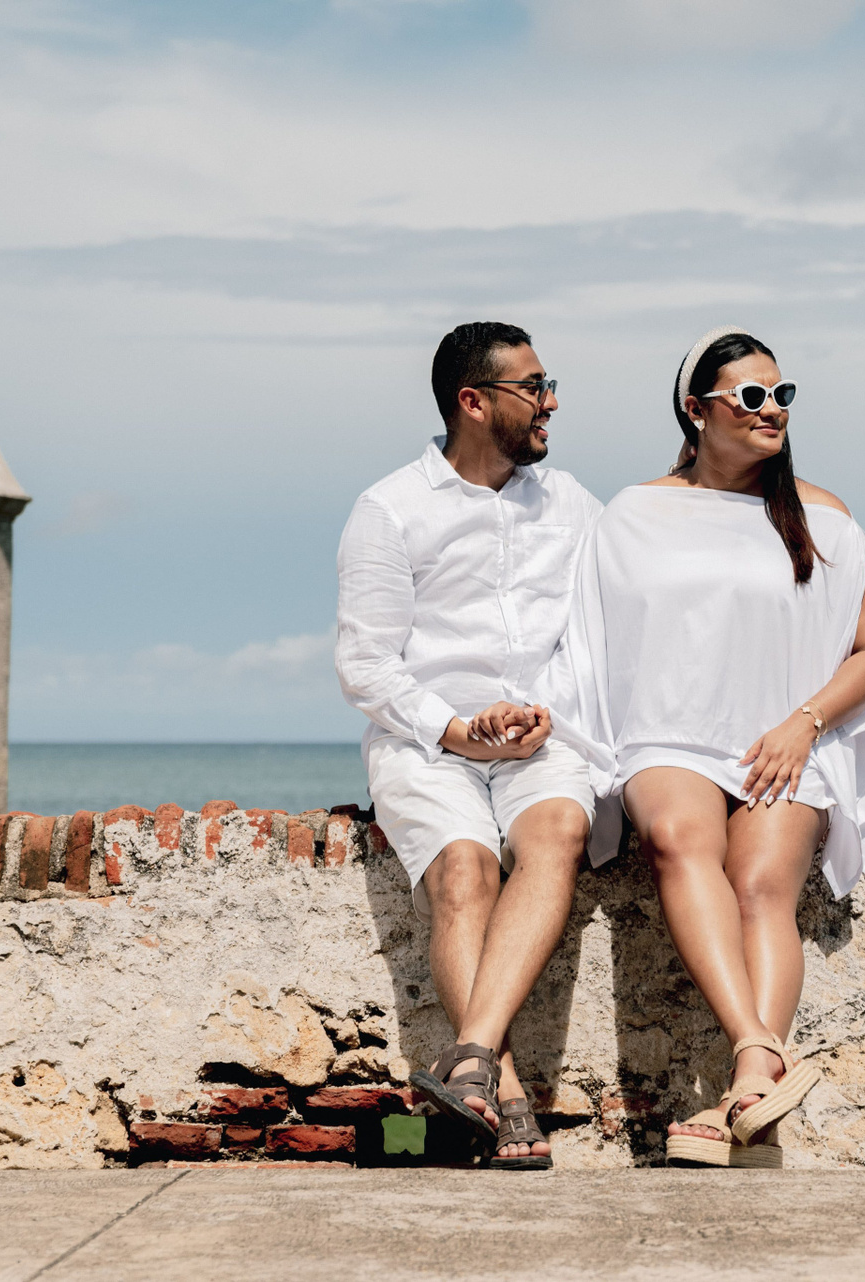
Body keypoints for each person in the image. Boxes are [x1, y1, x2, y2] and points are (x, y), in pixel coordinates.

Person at [563, 326, 865, 1168]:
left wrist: (804, 723)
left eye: (783, 394)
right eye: (752, 396)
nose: (774, 411)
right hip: (670, 733)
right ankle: (759, 1055)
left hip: (787, 736)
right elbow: (593, 641)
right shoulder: (634, 514)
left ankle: (744, 1090)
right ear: (698, 411)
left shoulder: (824, 516)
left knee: (763, 886)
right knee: (674, 839)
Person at [334, 322, 602, 1169]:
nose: (550, 402)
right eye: (534, 387)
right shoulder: (388, 509)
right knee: (464, 870)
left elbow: (597, 635)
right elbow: (366, 664)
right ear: (473, 401)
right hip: (426, 739)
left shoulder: (573, 505)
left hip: (542, 732)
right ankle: (508, 1091)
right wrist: (455, 730)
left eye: (549, 384)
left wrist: (542, 714)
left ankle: (471, 1058)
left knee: (558, 830)